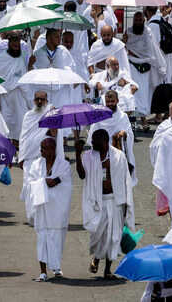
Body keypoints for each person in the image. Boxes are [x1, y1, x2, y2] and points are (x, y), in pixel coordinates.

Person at [75, 129, 134, 279]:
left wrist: (126, 203)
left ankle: (107, 270)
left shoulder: (118, 156)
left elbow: (126, 180)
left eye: (95, 141)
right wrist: (77, 154)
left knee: (113, 236)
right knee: (98, 235)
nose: (92, 144)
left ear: (105, 141)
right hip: (97, 201)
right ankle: (96, 258)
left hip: (115, 200)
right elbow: (82, 175)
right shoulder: (88, 156)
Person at [23, 137, 72, 282]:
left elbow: (66, 184)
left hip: (58, 210)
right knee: (42, 238)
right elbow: (30, 183)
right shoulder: (36, 165)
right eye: (41, 148)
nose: (41, 151)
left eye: (44, 149)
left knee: (57, 239)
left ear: (52, 149)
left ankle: (56, 268)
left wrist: (55, 181)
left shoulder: (64, 165)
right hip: (42, 208)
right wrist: (44, 182)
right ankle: (43, 271)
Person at [123, 10, 166, 130]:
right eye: (135, 20)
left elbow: (152, 49)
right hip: (132, 66)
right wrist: (124, 41)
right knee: (135, 94)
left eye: (139, 20)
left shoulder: (148, 32)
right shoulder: (129, 32)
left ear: (144, 21)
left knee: (145, 95)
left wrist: (158, 64)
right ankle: (139, 121)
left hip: (146, 66)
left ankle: (144, 119)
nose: (137, 22)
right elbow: (124, 49)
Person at [88, 90, 136, 183]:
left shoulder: (123, 116)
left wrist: (124, 134)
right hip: (102, 155)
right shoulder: (99, 117)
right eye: (108, 102)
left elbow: (130, 135)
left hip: (119, 154)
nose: (110, 104)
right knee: (104, 183)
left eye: (112, 101)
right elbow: (92, 137)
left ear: (117, 101)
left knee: (119, 183)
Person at [19, 91, 53, 220]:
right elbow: (23, 136)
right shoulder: (28, 116)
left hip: (43, 158)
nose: (39, 102)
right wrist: (21, 157)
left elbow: (55, 136)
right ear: (33, 100)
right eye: (37, 99)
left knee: (42, 186)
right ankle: (31, 216)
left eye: (42, 100)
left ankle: (41, 216)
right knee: (29, 186)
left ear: (46, 100)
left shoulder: (50, 114)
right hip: (28, 158)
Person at [0, 32, 30, 145]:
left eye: (17, 40)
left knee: (20, 125)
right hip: (4, 97)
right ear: (9, 42)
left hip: (19, 97)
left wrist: (30, 101)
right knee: (5, 125)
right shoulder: (0, 58)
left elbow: (24, 80)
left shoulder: (21, 58)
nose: (15, 43)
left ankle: (18, 148)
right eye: (13, 40)